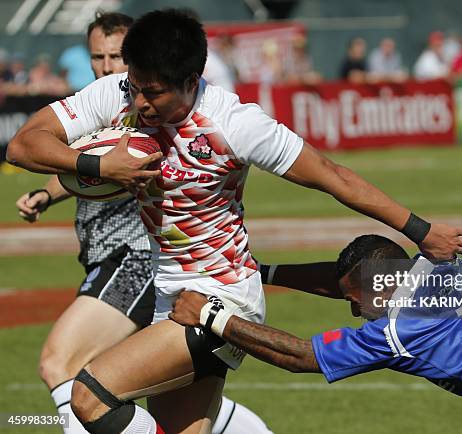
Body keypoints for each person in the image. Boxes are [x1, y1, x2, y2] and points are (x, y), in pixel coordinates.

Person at [7, 9, 462, 433]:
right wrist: (100, 167)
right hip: (170, 294)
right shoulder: (118, 91)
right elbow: (24, 145)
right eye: (136, 86)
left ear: (191, 80)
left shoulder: (236, 124)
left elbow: (333, 177)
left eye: (155, 92)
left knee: (91, 397)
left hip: (223, 296)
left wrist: (422, 231)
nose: (141, 103)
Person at [14, 11, 272, 434]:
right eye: (97, 55)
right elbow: (90, 170)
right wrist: (49, 192)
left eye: (116, 55)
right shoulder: (107, 102)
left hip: (137, 261)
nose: (106, 65)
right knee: (162, 394)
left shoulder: (144, 110)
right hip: (109, 258)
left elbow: (132, 165)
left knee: (63, 364)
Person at [172, 234, 462, 434]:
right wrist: (260, 270)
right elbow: (345, 278)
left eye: (355, 300)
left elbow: (304, 356)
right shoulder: (436, 265)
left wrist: (213, 316)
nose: (353, 311)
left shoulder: (401, 331)